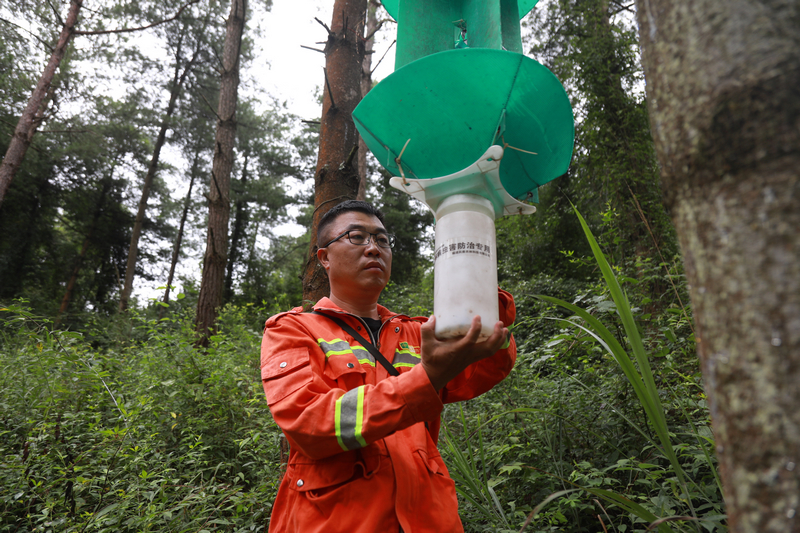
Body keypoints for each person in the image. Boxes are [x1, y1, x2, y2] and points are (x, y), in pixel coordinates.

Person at [260, 200, 517, 532]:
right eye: (356, 237)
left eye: (382, 240)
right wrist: (426, 379)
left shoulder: (416, 332)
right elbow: (310, 422)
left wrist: (475, 283)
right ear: (324, 257)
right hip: (335, 521)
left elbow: (488, 365)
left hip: (429, 519)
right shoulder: (293, 330)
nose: (373, 248)